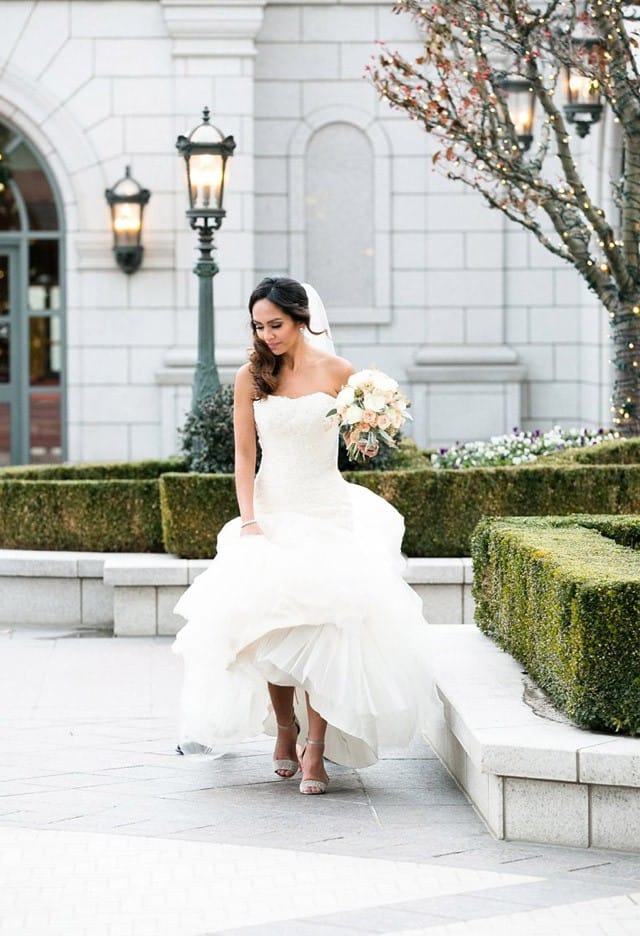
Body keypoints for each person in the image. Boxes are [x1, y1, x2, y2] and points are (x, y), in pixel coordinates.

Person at [172, 277, 433, 795]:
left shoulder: (340, 373)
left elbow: (367, 439)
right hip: (271, 509)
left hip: (327, 509)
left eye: (276, 324)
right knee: (271, 623)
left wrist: (368, 427)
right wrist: (248, 520)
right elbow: (244, 456)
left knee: (327, 626)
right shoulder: (251, 377)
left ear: (300, 319)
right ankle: (284, 728)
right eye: (258, 326)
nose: (267, 334)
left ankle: (317, 746)